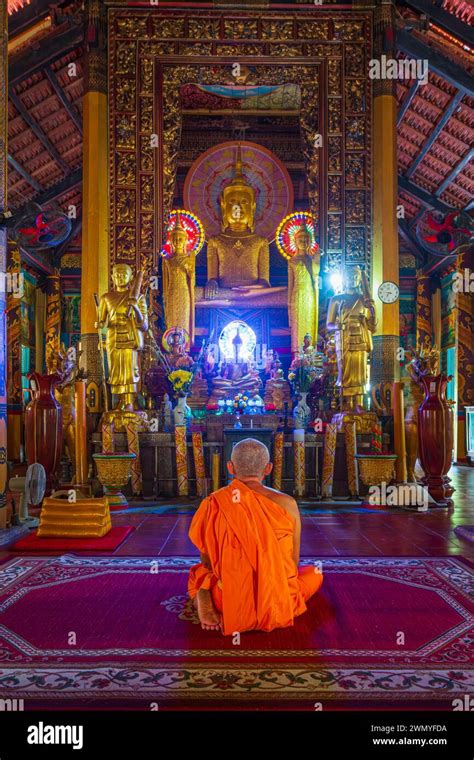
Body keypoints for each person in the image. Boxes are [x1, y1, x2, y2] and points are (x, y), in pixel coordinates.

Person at [188, 438, 323, 634]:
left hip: (228, 600)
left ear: (230, 468)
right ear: (268, 469)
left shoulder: (214, 503)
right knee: (315, 573)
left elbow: (207, 561)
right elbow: (292, 563)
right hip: (279, 599)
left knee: (198, 573)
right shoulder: (287, 504)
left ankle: (204, 593)